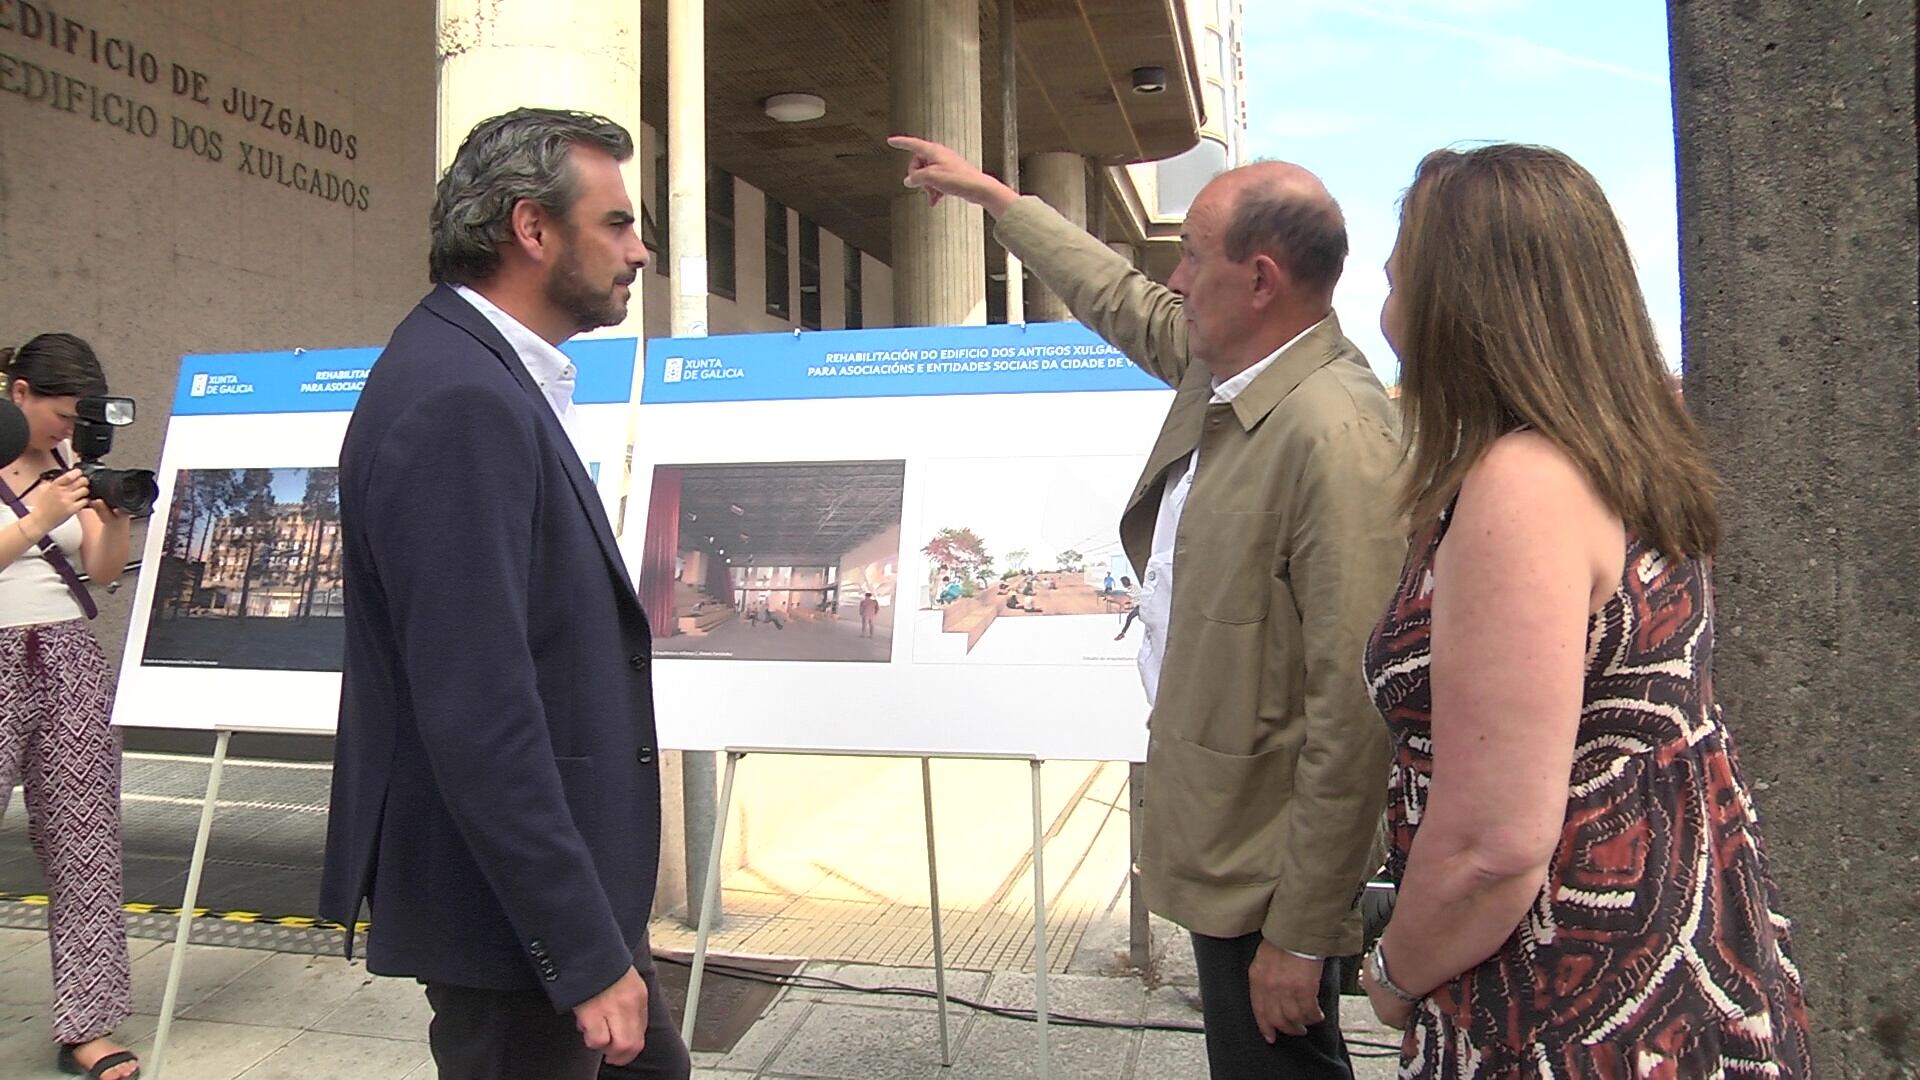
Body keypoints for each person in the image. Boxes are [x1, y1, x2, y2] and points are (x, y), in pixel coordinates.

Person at [894, 135, 1405, 1078]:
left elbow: (1354, 710)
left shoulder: (1336, 439)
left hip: (1269, 870)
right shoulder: (1243, 369)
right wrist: (998, 201)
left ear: (1259, 280)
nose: (1173, 278)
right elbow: (1122, 301)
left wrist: (1302, 930)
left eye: (1192, 258)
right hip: (1227, 835)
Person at [1357, 145, 1811, 1076]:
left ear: (1461, 301)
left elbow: (1494, 845)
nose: (1385, 304)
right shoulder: (1627, 452)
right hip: (1674, 969)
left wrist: (1395, 975)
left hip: (1563, 1000)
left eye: (1399, 275)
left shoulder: (1521, 484)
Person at [319, 108, 691, 1080]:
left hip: (549, 910)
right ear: (531, 228)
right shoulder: (459, 399)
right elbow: (477, 708)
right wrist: (582, 952)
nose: (639, 250)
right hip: (515, 928)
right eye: (616, 223)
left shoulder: (482, 377)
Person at [0, 334, 140, 1080]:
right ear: (18, 392)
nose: (67, 429)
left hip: (65, 655)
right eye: (59, 413)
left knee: (86, 840)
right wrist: (33, 516)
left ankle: (87, 1025)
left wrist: (110, 511)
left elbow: (101, 567)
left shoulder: (69, 465)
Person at [1113, 576, 1142, 640]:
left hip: (1141, 607)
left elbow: (1135, 596)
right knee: (1129, 618)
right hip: (1138, 606)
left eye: (1123, 583)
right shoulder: (1131, 588)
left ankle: (1123, 633)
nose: (1123, 585)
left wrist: (1127, 596)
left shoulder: (1133, 588)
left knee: (1129, 618)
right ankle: (1122, 633)